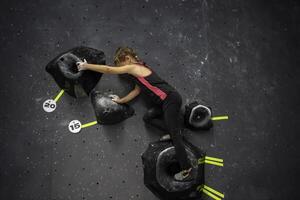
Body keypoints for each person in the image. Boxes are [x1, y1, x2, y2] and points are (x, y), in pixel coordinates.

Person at [76, 47, 192, 181]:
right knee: (148, 118)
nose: (122, 70)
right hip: (164, 103)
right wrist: (120, 100)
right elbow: (136, 91)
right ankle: (172, 131)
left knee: (176, 137)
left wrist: (86, 66)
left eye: (121, 66)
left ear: (127, 58)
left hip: (170, 99)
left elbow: (109, 70)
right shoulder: (138, 75)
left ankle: (186, 169)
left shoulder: (134, 67)